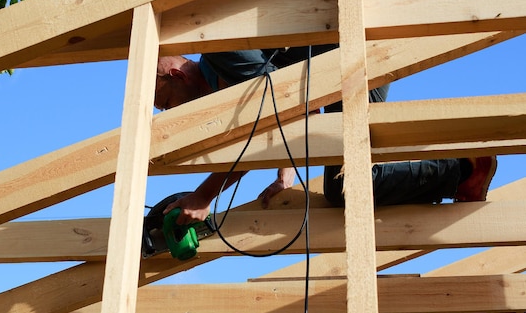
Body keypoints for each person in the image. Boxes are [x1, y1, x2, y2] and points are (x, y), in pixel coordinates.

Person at [154, 47, 497, 225]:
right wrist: (284, 173)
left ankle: (463, 169)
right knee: (347, 186)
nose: (171, 113)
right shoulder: (222, 93)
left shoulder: (220, 53)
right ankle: (461, 174)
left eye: (166, 102)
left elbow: (287, 102)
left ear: (176, 75)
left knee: (347, 185)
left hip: (347, 60)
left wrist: (204, 195)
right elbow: (279, 117)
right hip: (334, 79)